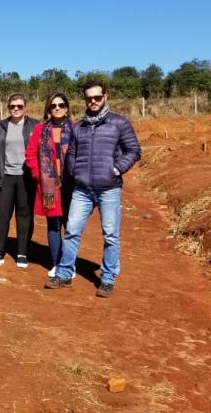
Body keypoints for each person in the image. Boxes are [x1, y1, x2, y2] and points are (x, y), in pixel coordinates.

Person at [46, 81, 141, 298]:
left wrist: (117, 169)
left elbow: (133, 150)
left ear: (105, 96)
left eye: (97, 97)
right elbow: (71, 154)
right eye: (89, 98)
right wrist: (75, 172)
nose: (93, 101)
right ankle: (64, 273)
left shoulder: (118, 123)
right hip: (82, 189)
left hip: (109, 189)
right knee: (72, 231)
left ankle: (107, 278)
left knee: (110, 235)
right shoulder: (79, 126)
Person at [0, 93, 39, 269]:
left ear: (25, 108)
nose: (16, 109)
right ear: (8, 108)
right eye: (12, 106)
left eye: (19, 106)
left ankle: (22, 253)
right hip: (4, 177)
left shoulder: (35, 126)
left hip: (26, 178)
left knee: (24, 215)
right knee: (1, 215)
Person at [25, 92, 75, 277]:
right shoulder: (40, 129)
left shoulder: (75, 128)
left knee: (71, 226)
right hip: (49, 187)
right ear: (48, 108)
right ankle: (56, 263)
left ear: (67, 108)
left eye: (61, 105)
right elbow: (30, 154)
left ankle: (69, 263)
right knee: (53, 226)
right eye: (53, 105)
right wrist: (39, 175)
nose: (57, 108)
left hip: (71, 185)